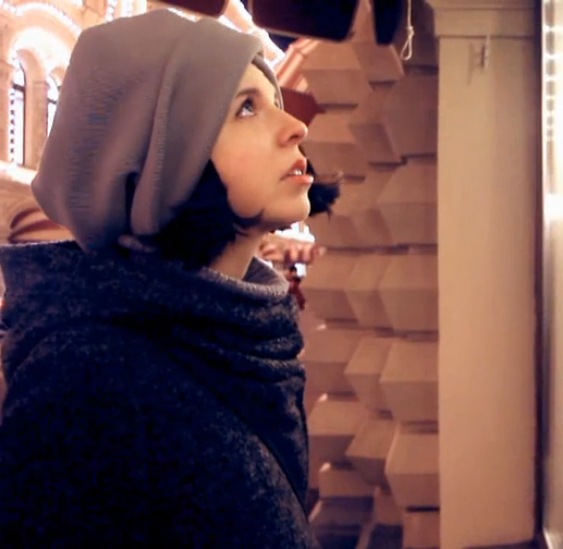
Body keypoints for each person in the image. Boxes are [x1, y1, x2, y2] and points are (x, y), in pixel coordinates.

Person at [0, 10, 334, 548]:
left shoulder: (247, 341)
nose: (295, 127)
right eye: (246, 108)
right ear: (161, 153)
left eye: (273, 100)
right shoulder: (86, 380)